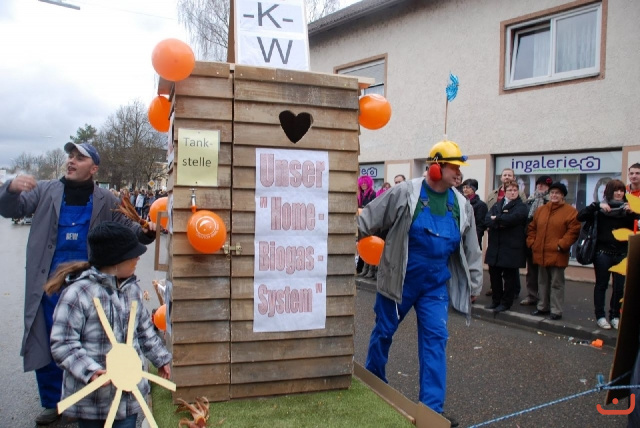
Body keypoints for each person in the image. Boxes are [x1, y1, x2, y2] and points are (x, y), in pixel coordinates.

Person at [0, 142, 156, 425]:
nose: (71, 161)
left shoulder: (105, 199)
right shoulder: (45, 190)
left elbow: (127, 227)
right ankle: (53, 403)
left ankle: (84, 398)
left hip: (87, 284)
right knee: (49, 340)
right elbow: (11, 209)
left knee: (88, 340)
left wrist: (146, 233)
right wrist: (10, 189)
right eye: (70, 156)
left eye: (79, 158)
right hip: (48, 284)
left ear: (93, 168)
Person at [357, 140, 482, 425]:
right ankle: (373, 383)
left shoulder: (462, 205)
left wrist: (474, 284)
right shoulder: (406, 192)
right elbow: (368, 219)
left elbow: (471, 247)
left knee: (436, 340)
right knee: (384, 331)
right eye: (453, 167)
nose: (459, 174)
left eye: (459, 168)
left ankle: (431, 409)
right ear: (436, 167)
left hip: (435, 284)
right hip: (400, 279)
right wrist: (339, 244)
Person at [47, 222, 171, 427]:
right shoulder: (79, 294)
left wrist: (161, 358)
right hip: (93, 401)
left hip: (128, 393)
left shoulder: (132, 290)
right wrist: (90, 371)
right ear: (116, 261)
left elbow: (144, 331)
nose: (138, 258)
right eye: (133, 255)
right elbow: (63, 343)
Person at [577, 180, 637, 330]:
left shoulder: (628, 210)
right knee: (601, 285)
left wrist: (633, 212)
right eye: (616, 190)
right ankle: (600, 316)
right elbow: (580, 216)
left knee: (619, 287)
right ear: (609, 192)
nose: (619, 193)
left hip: (622, 253)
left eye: (621, 190)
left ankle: (615, 316)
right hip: (603, 254)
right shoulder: (600, 208)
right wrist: (597, 205)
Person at [526, 182, 581, 321]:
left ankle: (556, 310)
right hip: (541, 252)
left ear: (563, 195)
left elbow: (573, 231)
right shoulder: (541, 210)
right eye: (552, 193)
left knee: (556, 283)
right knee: (542, 282)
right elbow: (532, 228)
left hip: (557, 253)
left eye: (557, 193)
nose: (554, 195)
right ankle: (542, 307)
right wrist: (532, 243)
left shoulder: (570, 211)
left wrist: (561, 245)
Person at [484, 180, 528, 312]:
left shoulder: (521, 206)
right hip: (495, 247)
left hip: (511, 248)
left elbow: (514, 219)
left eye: (515, 190)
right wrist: (499, 221)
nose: (513, 192)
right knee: (494, 276)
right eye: (510, 190)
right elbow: (487, 220)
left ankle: (506, 303)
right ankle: (496, 300)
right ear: (504, 191)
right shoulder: (497, 204)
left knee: (509, 278)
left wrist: (497, 219)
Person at [520, 175, 552, 306]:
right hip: (530, 240)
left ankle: (544, 299)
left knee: (545, 273)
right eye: (539, 184)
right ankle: (532, 295)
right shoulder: (530, 201)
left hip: (545, 242)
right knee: (531, 272)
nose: (540, 186)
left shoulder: (551, 202)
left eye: (544, 185)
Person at [357, 175, 377, 278]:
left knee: (370, 245)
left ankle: (370, 269)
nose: (363, 185)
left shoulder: (372, 194)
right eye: (362, 183)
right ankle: (363, 269)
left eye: (365, 183)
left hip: (369, 222)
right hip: (361, 221)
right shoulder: (360, 195)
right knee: (363, 245)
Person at [461, 178, 488, 246]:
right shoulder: (461, 202)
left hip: (473, 238)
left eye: (467, 187)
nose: (465, 189)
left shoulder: (480, 205)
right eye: (463, 187)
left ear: (473, 189)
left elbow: (480, 225)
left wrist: (476, 239)